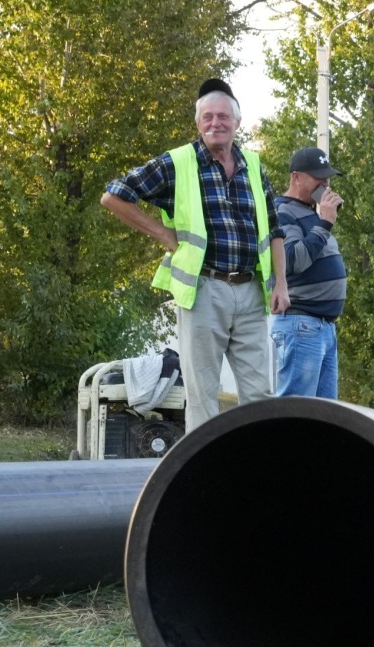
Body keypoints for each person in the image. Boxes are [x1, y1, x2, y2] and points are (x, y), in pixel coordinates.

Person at [101, 79, 289, 432]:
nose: (215, 123)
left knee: (260, 395)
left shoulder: (253, 164)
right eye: (208, 117)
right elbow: (114, 195)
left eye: (223, 116)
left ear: (237, 122)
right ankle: (207, 465)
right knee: (202, 394)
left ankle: (258, 462)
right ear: (198, 122)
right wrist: (162, 233)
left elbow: (274, 228)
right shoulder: (178, 163)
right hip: (204, 291)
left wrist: (281, 283)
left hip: (251, 292)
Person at [271, 147, 347, 398]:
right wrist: (325, 223)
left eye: (327, 178)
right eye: (318, 178)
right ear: (296, 177)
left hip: (323, 327)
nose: (325, 184)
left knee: (324, 414)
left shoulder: (311, 214)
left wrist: (322, 221)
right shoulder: (282, 211)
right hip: (301, 323)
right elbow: (293, 260)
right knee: (297, 409)